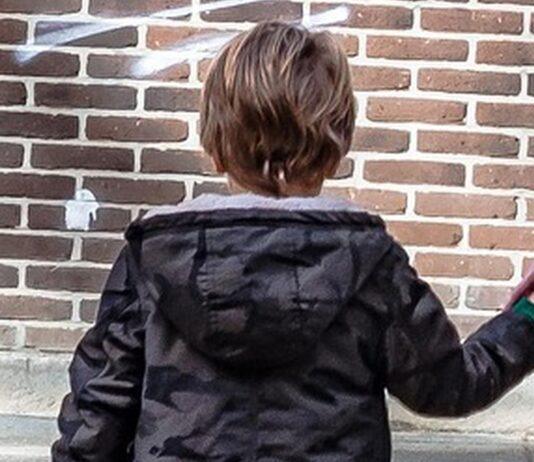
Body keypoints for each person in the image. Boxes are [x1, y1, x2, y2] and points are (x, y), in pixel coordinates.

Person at [52, 21, 534, 461]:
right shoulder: (370, 261)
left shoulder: (156, 255)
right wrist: (527, 319)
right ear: (337, 146)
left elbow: (98, 414)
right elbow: (449, 385)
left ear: (215, 144)